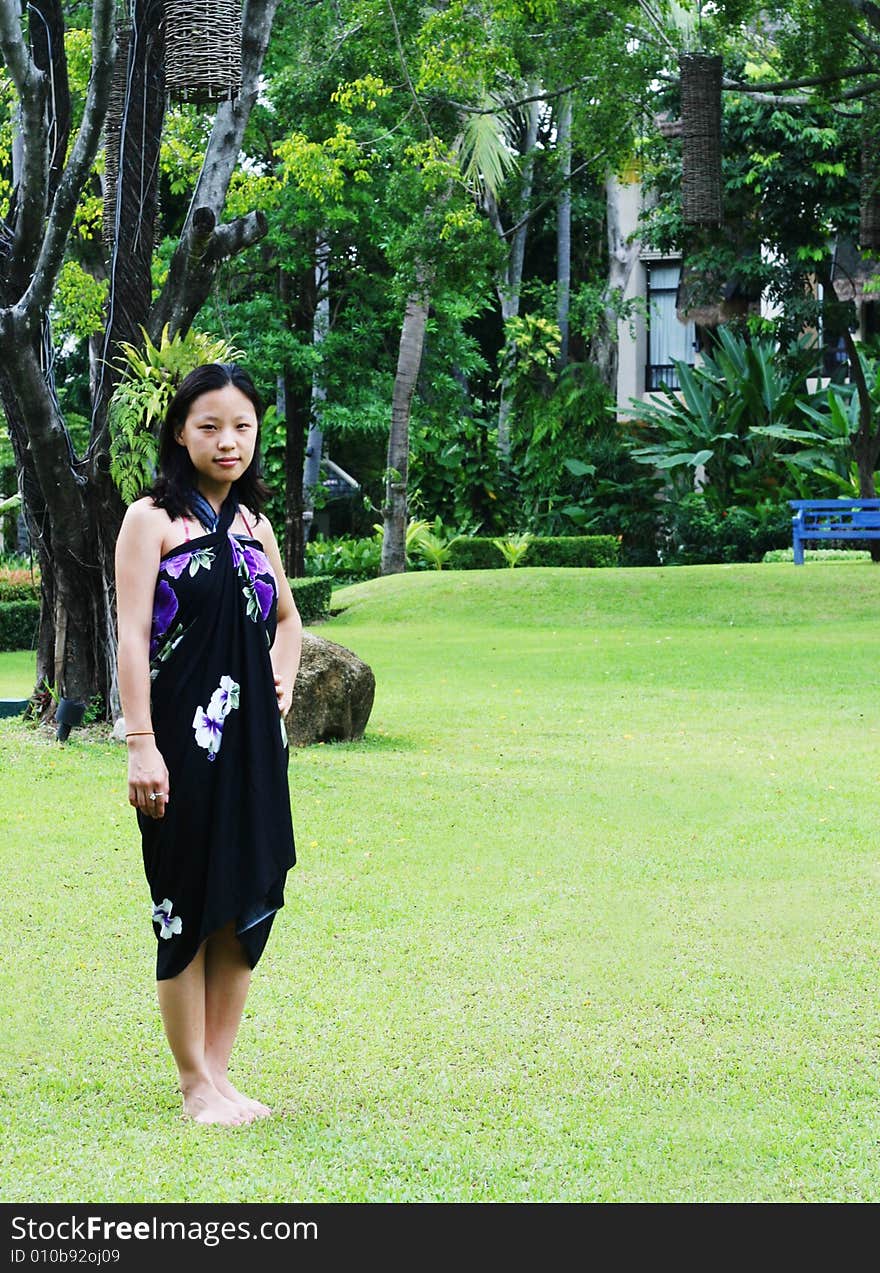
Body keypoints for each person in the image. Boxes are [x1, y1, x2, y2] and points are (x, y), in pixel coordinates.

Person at [114, 362, 301, 1126]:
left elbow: (287, 620)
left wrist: (280, 686)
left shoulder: (256, 528)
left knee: (245, 901)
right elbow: (128, 637)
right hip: (179, 748)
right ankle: (194, 1085)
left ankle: (220, 1077)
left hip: (256, 749)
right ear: (180, 431)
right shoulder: (151, 520)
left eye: (243, 427)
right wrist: (141, 743)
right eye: (210, 426)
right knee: (185, 903)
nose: (229, 441)